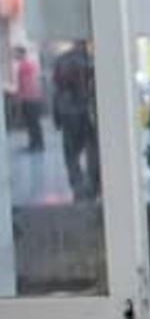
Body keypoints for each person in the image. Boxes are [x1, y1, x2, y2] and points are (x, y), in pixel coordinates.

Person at [52, 41, 99, 200]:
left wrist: (56, 116)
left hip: (68, 112)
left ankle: (78, 186)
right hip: (86, 111)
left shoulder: (61, 60)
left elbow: (56, 90)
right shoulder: (91, 60)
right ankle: (93, 185)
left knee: (71, 153)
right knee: (92, 149)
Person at [12, 46, 44, 153]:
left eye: (15, 53)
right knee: (33, 123)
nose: (14, 55)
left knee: (32, 123)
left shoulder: (25, 65)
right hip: (33, 97)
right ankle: (36, 144)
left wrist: (21, 98)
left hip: (30, 98)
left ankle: (36, 145)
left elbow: (27, 83)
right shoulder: (29, 63)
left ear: (21, 53)